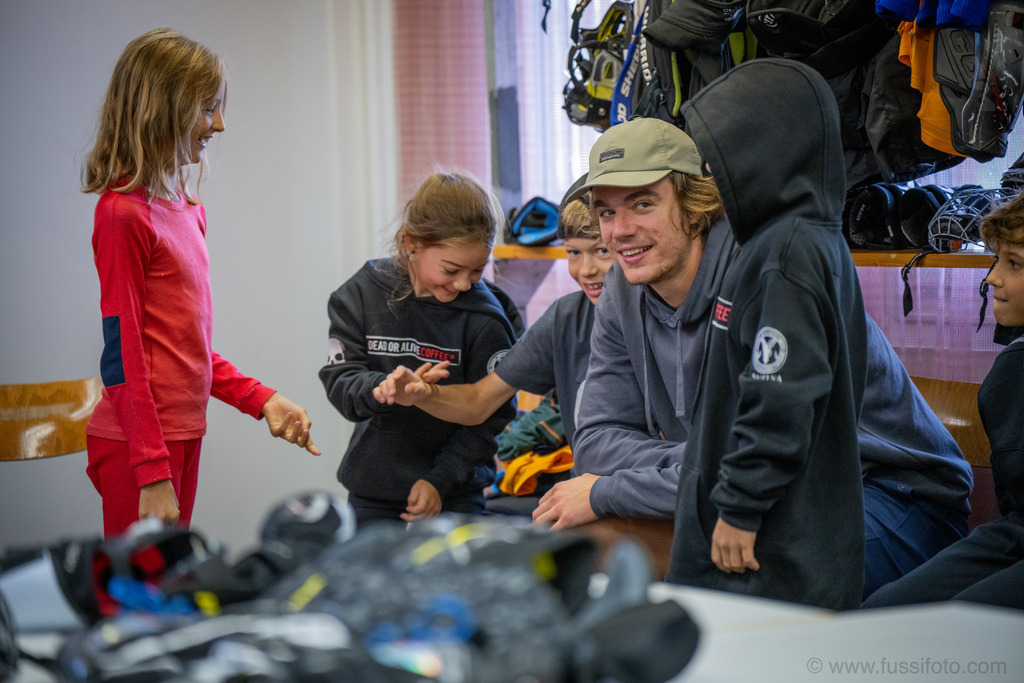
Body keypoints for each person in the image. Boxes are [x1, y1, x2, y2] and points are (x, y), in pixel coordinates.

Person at [81, 28, 320, 539]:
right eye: (207, 108)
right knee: (141, 600)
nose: (220, 124)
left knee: (171, 587)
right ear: (162, 108)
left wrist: (261, 399)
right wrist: (151, 470)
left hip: (181, 434)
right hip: (139, 445)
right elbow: (122, 355)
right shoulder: (122, 214)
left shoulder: (188, 212)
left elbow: (187, 350)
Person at [319, 169, 524, 526]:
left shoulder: (487, 320)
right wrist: (380, 389)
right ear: (412, 242)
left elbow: (495, 415)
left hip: (456, 494)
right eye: (451, 269)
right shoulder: (359, 296)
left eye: (477, 271)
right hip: (373, 493)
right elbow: (341, 381)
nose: (463, 284)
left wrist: (440, 479)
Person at [863, 191, 1024, 611]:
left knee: (944, 634)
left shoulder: (1016, 370)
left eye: (1015, 264)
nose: (991, 279)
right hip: (1015, 536)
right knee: (883, 616)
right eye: (997, 260)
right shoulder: (1013, 369)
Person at [371, 186, 612, 446]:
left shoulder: (653, 315)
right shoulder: (564, 319)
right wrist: (423, 394)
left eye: (602, 251)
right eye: (574, 253)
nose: (586, 270)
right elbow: (479, 401)